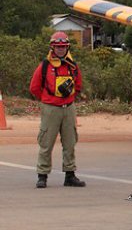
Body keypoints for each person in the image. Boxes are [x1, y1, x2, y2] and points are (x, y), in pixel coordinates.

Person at [30, 31, 85, 188]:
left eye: (63, 46)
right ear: (52, 47)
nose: (60, 49)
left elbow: (79, 85)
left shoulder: (72, 66)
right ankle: (42, 176)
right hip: (51, 109)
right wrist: (48, 100)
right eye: (57, 47)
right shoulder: (45, 66)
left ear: (67, 47)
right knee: (46, 143)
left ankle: (70, 175)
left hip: (69, 108)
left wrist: (70, 100)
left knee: (70, 142)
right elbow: (34, 87)